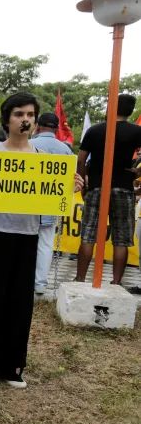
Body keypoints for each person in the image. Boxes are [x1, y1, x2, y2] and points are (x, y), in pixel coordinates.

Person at [0, 93, 83, 390]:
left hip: (27, 238)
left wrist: (70, 189)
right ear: (7, 118)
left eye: (30, 114)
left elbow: (52, 203)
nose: (25, 119)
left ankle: (9, 366)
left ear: (36, 121)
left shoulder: (43, 159)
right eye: (18, 114)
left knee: (19, 305)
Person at [75, 94, 141, 285]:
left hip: (97, 186)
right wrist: (136, 171)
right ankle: (116, 282)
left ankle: (79, 278)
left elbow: (81, 159)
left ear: (111, 107)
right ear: (129, 111)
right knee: (121, 238)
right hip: (123, 187)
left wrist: (84, 183)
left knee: (88, 234)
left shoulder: (95, 130)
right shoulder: (136, 132)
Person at [30, 112, 75, 294]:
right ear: (57, 129)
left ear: (38, 126)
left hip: (26, 202)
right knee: (46, 243)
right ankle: (40, 284)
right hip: (51, 202)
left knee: (26, 242)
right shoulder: (65, 149)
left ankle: (23, 279)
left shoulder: (28, 145)